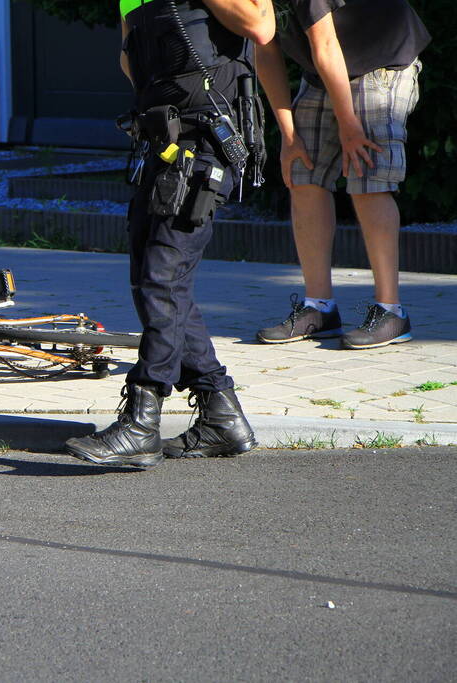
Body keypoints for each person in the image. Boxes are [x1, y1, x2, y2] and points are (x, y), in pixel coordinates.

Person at [65, 0, 275, 469]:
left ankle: (142, 421)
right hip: (162, 142)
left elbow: (261, 24)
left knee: (162, 277)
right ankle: (222, 415)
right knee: (153, 278)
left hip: (208, 143)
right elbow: (129, 57)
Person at [254, 0, 429, 349]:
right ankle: (319, 308)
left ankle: (391, 311)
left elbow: (325, 44)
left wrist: (349, 125)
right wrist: (288, 135)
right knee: (302, 172)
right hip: (322, 71)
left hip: (381, 60)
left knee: (368, 175)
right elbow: (263, 48)